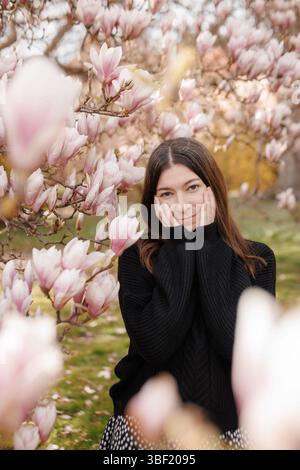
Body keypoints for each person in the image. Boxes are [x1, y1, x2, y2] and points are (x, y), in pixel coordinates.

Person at [99, 137, 276, 450]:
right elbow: (156, 346)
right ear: (153, 202)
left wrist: (207, 245)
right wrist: (181, 245)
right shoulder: (137, 260)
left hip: (231, 430)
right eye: (167, 193)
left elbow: (236, 347)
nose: (181, 204)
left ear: (212, 189)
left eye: (192, 187)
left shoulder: (257, 261)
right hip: (148, 432)